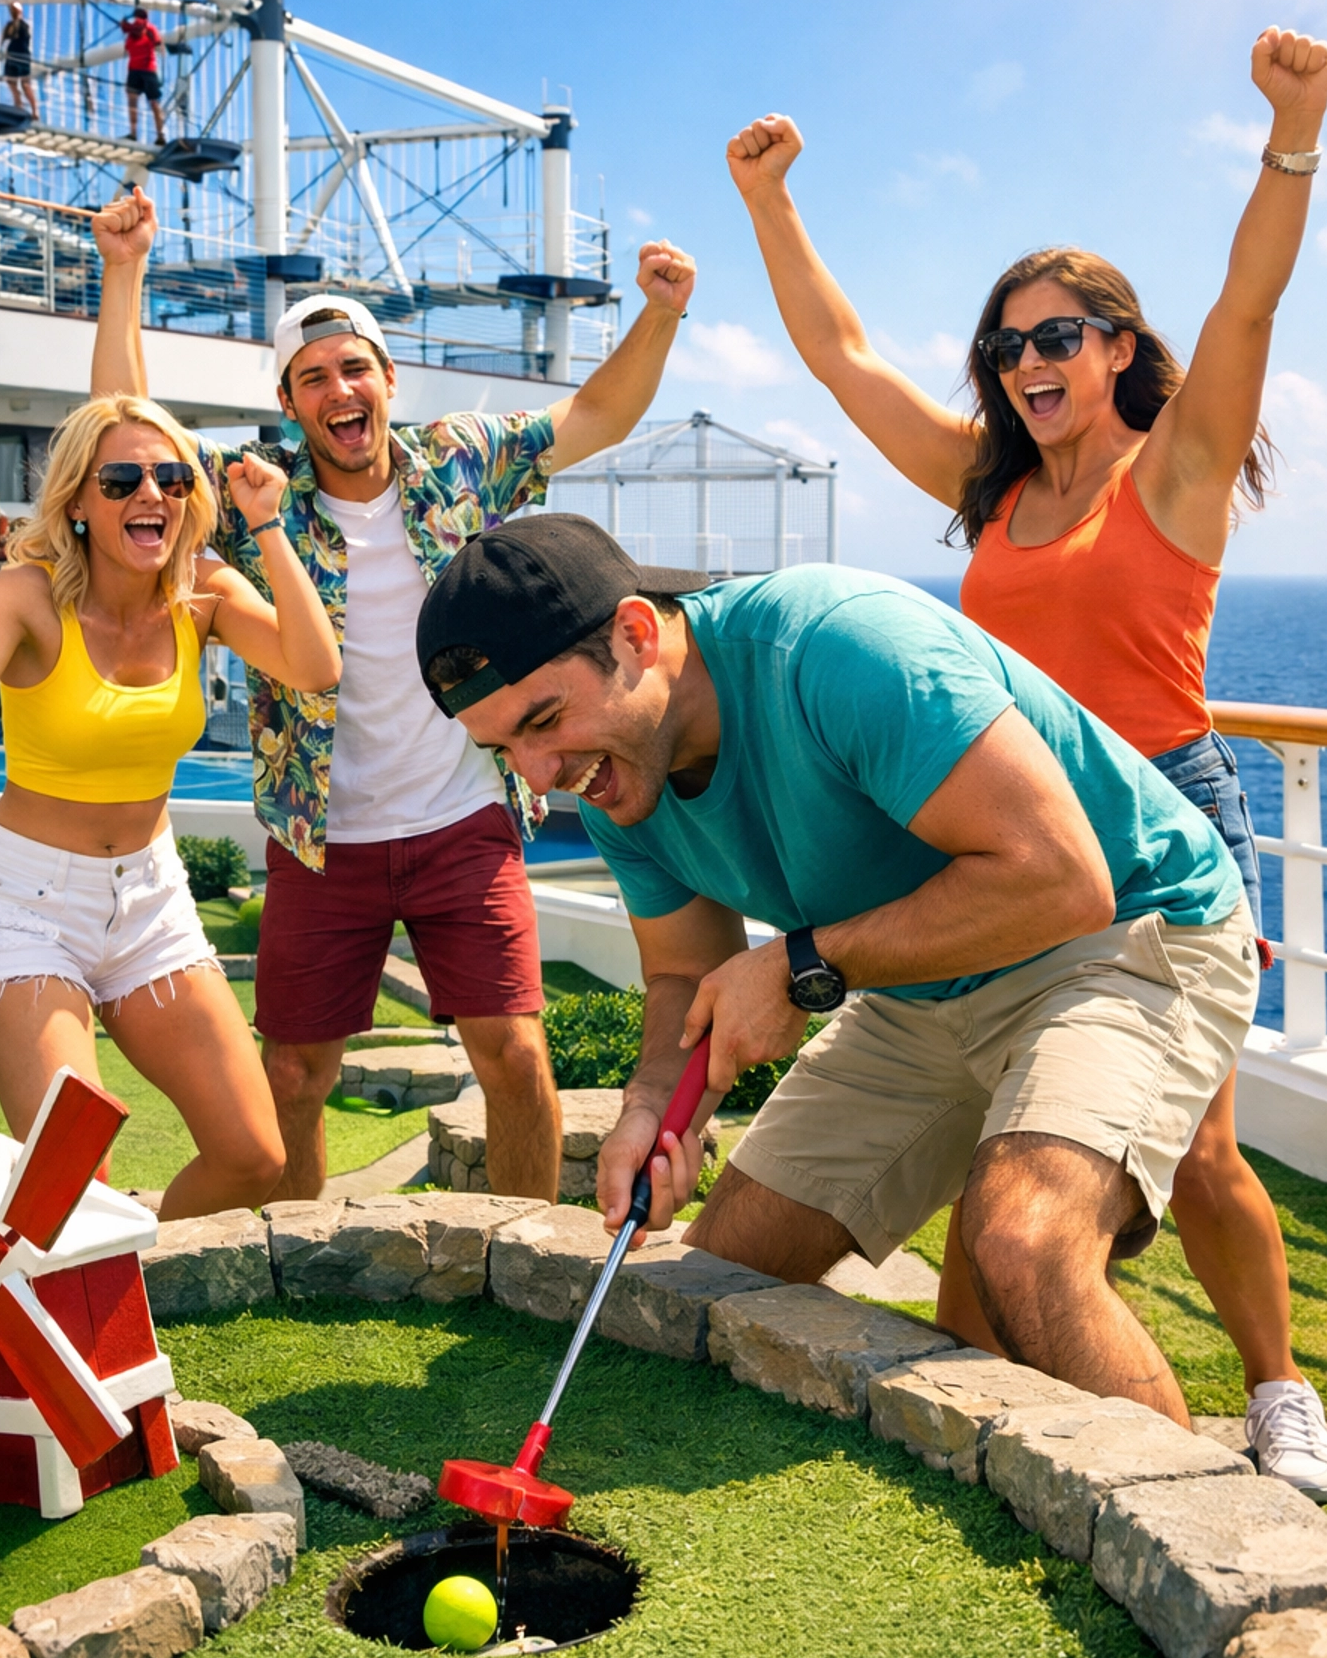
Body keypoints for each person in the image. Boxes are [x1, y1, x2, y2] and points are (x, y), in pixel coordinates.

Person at [722, 25, 1327, 1499]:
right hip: (1013, 837)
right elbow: (840, 356)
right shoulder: (988, 491)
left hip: (1165, 835)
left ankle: (1278, 1391)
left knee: (1199, 1159)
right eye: (1006, 347)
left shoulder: (1175, 474)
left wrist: (1297, 129)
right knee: (1016, 1181)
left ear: (1119, 347)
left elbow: (1250, 302)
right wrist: (771, 202)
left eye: (1056, 336)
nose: (1025, 364)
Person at [418, 513, 1260, 1426]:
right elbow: (682, 976)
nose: (540, 776)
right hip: (921, 985)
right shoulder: (618, 773)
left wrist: (803, 964)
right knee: (721, 1270)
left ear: (635, 633)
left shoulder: (836, 646)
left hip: (1125, 936)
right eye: (504, 749)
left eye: (545, 721)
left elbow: (1063, 880)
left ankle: (1216, 1555)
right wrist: (654, 1106)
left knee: (1023, 1245)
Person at [90, 188, 696, 1205]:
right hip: (324, 835)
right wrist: (123, 272)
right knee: (294, 1074)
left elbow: (596, 415)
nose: (340, 388)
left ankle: (517, 1250)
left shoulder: (459, 459)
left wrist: (661, 313)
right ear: (291, 402)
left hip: (464, 818)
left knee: (512, 1055)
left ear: (387, 379)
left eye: (355, 367)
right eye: (314, 376)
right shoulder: (251, 495)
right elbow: (123, 434)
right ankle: (292, 1257)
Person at [0, 399, 341, 1221]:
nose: (155, 493)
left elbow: (314, 668)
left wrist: (269, 526)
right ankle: (92, 1305)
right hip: (23, 907)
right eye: (123, 478)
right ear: (76, 501)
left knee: (254, 1154)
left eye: (173, 477)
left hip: (149, 898)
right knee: (79, 1178)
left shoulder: (203, 591)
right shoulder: (26, 595)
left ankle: (122, 1286)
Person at [120, 5, 166, 144]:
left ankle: (134, 133)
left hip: (135, 69)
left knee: (133, 102)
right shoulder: (149, 28)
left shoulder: (131, 29)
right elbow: (158, 44)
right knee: (154, 103)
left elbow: (126, 40)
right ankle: (160, 135)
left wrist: (126, 19)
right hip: (148, 70)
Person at [1, 2, 38, 121]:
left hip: (20, 56)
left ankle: (34, 110)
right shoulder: (11, 25)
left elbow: (15, 36)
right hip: (13, 56)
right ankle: (19, 104)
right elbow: (5, 38)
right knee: (12, 82)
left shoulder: (22, 26)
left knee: (25, 84)